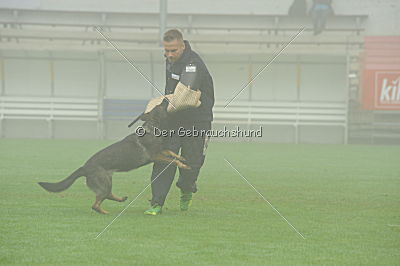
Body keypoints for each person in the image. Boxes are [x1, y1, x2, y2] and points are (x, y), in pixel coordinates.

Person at [144, 29, 215, 215]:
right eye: (166, 50)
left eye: (173, 50)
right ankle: (156, 203)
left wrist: (158, 107)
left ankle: (187, 189)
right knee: (164, 158)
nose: (169, 55)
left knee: (191, 164)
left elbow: (183, 99)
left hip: (197, 122)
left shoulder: (194, 64)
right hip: (173, 120)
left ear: (183, 46)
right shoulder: (171, 62)